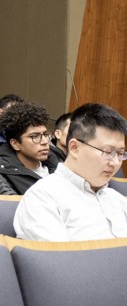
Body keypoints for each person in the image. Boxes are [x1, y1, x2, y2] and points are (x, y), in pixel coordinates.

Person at [14, 103, 127, 241]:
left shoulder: (117, 199)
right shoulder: (43, 197)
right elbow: (61, 260)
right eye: (108, 152)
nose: (115, 162)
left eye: (120, 153)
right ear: (74, 147)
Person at [0, 100, 59, 194]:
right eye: (35, 136)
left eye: (45, 134)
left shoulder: (56, 165)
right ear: (15, 144)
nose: (45, 142)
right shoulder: (1, 175)